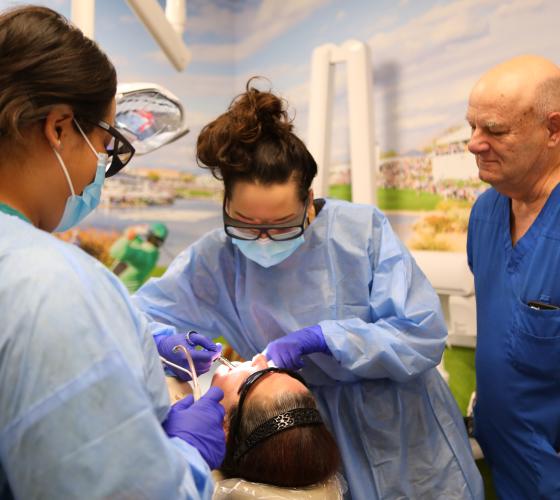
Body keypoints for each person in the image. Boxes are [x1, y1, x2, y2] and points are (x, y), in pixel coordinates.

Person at [133, 79, 484, 499]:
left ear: (310, 203)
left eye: (280, 225)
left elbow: (421, 335)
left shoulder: (361, 234)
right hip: (306, 442)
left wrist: (326, 339)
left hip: (406, 433)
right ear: (226, 205)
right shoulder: (215, 260)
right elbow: (129, 316)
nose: (262, 239)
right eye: (245, 224)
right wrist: (164, 341)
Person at [0, 6, 224, 499]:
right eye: (105, 145)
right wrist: (188, 453)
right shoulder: (53, 285)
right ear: (59, 128)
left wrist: (140, 336)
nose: (97, 173)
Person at [466, 54, 560, 498]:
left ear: (554, 130)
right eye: (472, 127)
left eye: (495, 131)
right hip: (508, 463)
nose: (474, 144)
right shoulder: (486, 213)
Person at [110, 221, 169, 292]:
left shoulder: (145, 256)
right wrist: (135, 231)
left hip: (119, 296)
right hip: (116, 293)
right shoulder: (150, 253)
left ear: (149, 235)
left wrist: (132, 233)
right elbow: (133, 237)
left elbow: (115, 251)